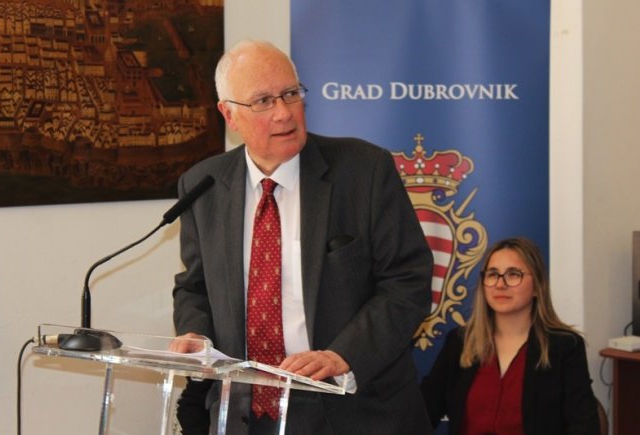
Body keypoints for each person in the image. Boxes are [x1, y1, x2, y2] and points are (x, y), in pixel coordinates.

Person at [170, 39, 434, 435]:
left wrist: (343, 355)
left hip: (351, 409)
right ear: (229, 114)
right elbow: (194, 287)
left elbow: (407, 282)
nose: (284, 112)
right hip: (243, 414)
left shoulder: (364, 172)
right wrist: (196, 335)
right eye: (263, 101)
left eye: (291, 94)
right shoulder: (202, 186)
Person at [421, 237, 600, 435]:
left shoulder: (564, 346)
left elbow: (584, 426)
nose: (500, 284)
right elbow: (422, 413)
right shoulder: (460, 341)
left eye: (513, 274)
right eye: (492, 274)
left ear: (537, 286)